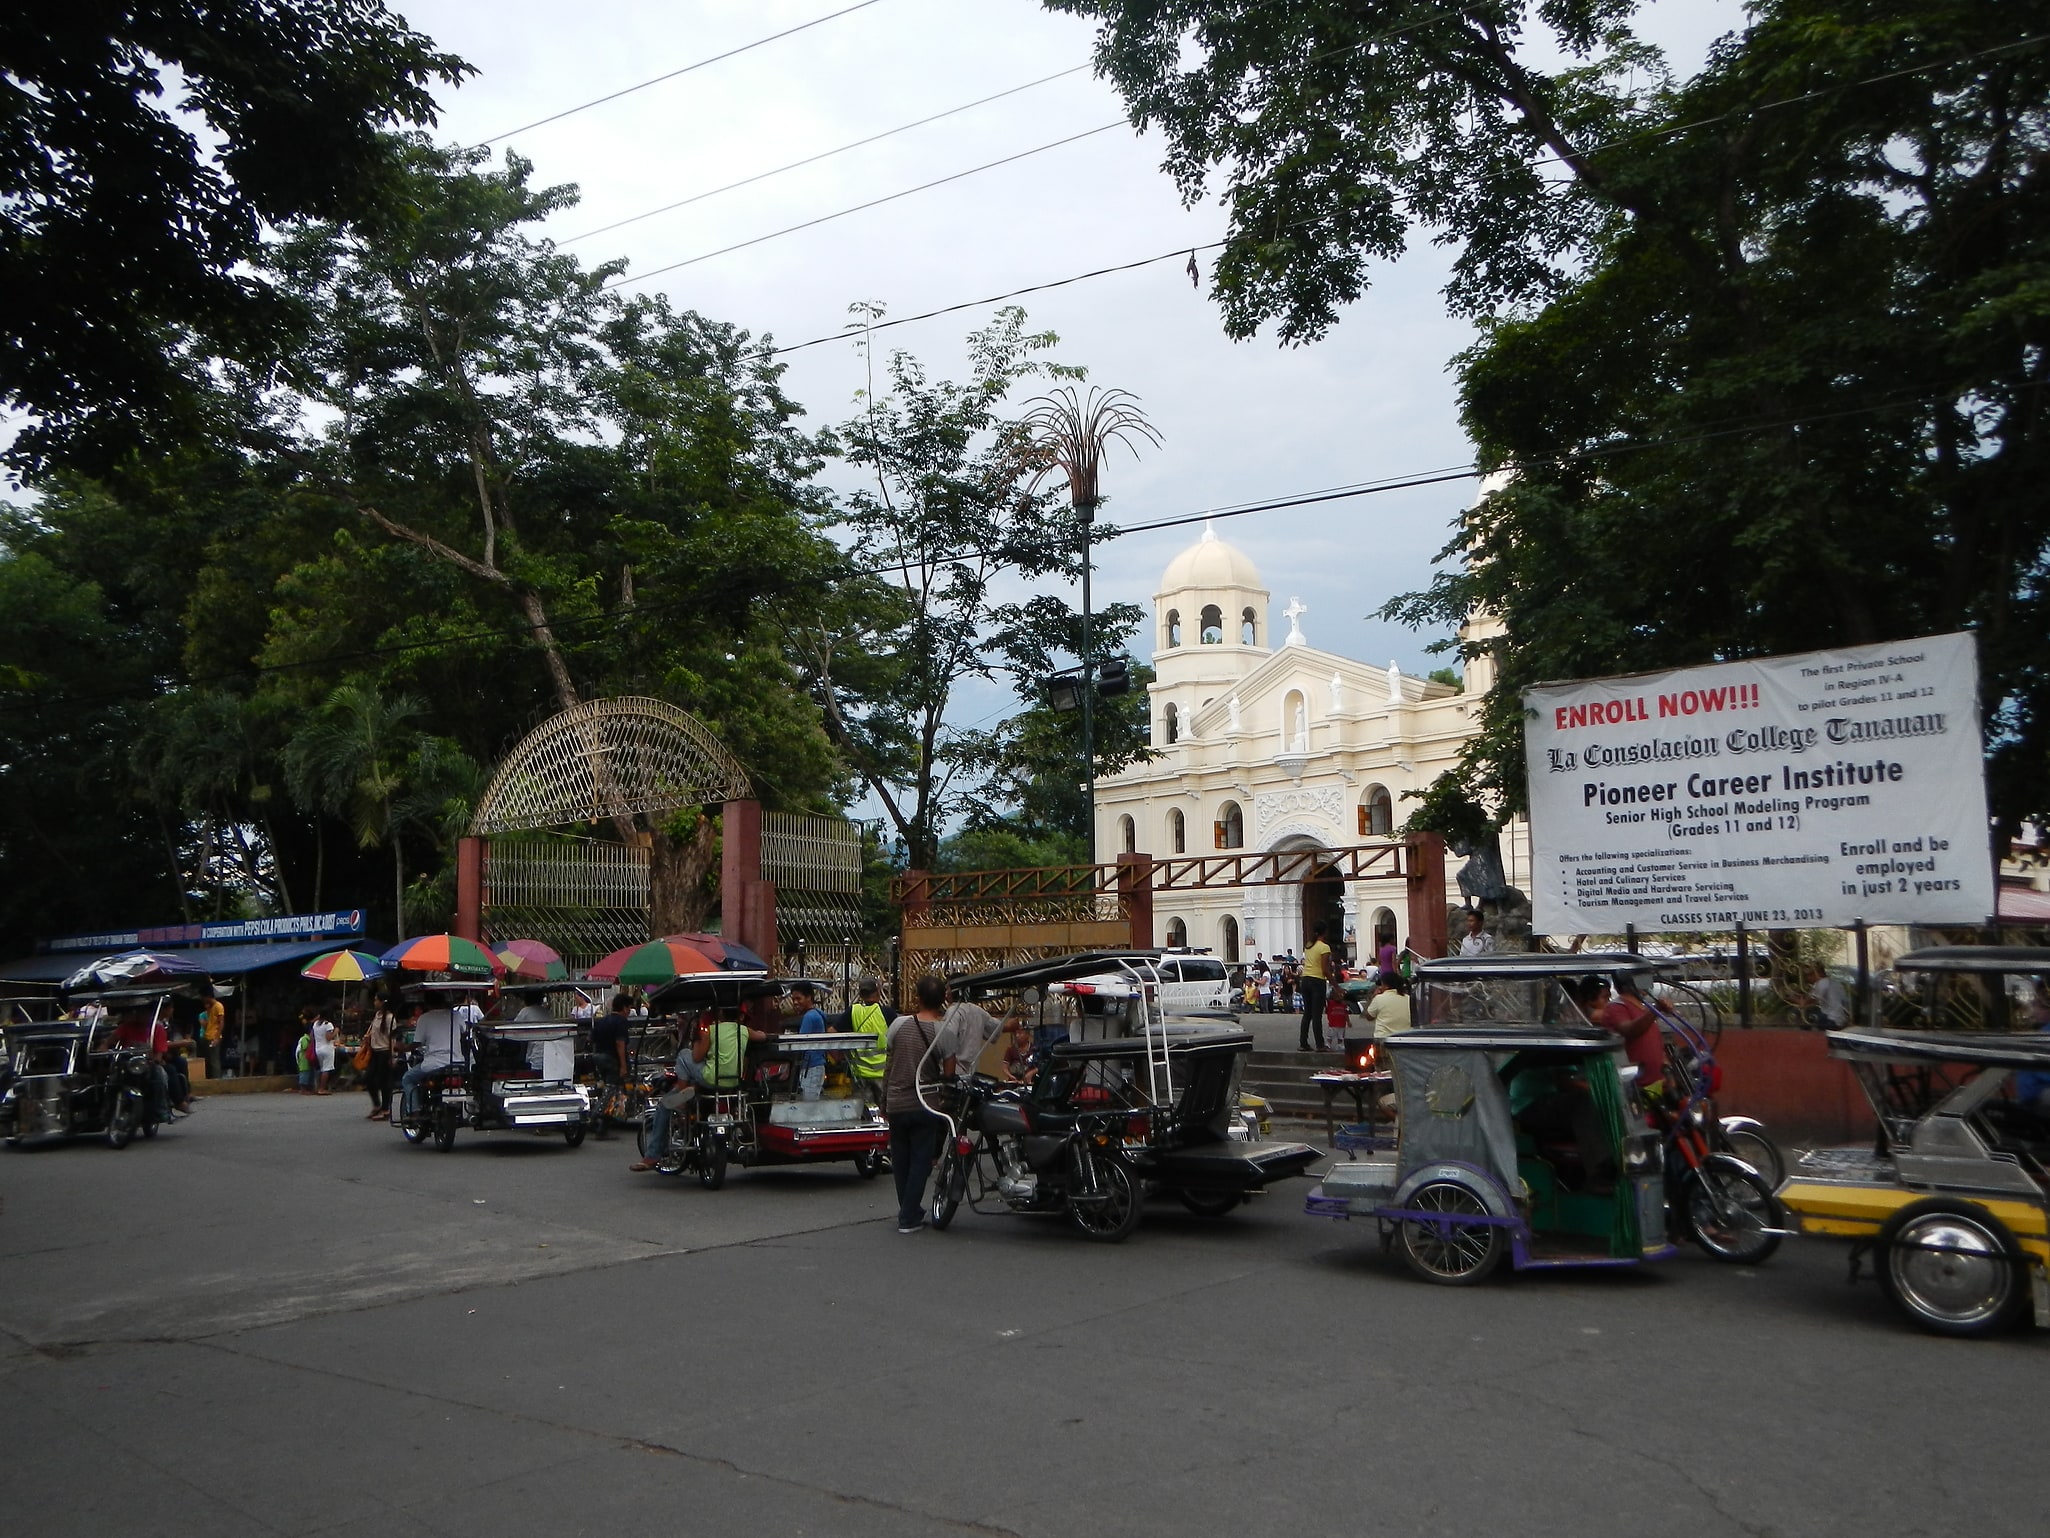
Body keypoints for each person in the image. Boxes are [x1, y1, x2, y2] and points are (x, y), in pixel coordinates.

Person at [631, 1006, 774, 1172]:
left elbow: (696, 1057)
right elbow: (762, 1036)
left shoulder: (711, 1031)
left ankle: (653, 1154)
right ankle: (688, 1091)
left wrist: (698, 1040)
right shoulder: (744, 1031)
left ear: (720, 1014)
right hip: (733, 1082)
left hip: (709, 1079)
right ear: (740, 1017)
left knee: (682, 1058)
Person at [882, 976, 952, 1233]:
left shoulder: (898, 1025)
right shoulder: (944, 1032)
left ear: (918, 997)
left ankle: (908, 1210)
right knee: (921, 1162)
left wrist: (883, 1101)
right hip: (926, 1104)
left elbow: (889, 1066)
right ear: (943, 999)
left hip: (896, 1102)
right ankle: (908, 1216)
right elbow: (949, 1072)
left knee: (901, 1161)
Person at [399, 992, 468, 1121]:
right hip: (457, 1063)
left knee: (407, 1078)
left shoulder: (424, 1018)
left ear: (427, 1004)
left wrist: (404, 1047)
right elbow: (465, 1032)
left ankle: (415, 1111)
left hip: (433, 1064)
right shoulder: (456, 1015)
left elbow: (417, 1043)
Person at [110, 1007, 175, 1124]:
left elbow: (159, 1054)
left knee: (161, 1075)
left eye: (144, 1012)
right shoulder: (126, 1027)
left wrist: (154, 1060)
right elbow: (110, 1041)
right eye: (138, 1012)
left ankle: (161, 1109)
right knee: (111, 1078)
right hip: (127, 1063)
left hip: (146, 1064)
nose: (140, 1016)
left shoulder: (157, 1029)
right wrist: (102, 1049)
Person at [589, 992, 634, 1140]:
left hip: (599, 1058)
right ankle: (596, 1114)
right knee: (612, 1090)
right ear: (624, 1008)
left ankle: (602, 1127)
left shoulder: (602, 1021)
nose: (629, 1012)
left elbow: (592, 1039)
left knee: (611, 1092)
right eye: (629, 1008)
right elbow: (620, 1044)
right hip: (612, 1059)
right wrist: (623, 1065)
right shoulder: (621, 1022)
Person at [849, 977, 889, 1109]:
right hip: (883, 1075)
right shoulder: (886, 1013)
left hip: (860, 1075)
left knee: (863, 1113)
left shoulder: (853, 1011)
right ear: (878, 992)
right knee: (886, 1112)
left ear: (860, 994)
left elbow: (831, 1032)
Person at [790, 981, 828, 1100]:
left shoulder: (809, 1017)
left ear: (809, 998)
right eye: (793, 999)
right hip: (817, 1066)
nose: (795, 1002)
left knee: (809, 1106)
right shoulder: (818, 1014)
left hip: (811, 1068)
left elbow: (800, 1044)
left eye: (798, 998)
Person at [363, 993, 397, 1120]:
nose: (374, 1002)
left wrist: (393, 1056)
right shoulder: (377, 1016)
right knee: (368, 1078)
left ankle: (385, 1108)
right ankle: (377, 1104)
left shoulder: (389, 1018)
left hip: (385, 1051)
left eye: (376, 1000)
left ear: (382, 1002)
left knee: (383, 1082)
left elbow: (392, 1038)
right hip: (374, 1051)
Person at [1299, 922, 1333, 1052]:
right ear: (1325, 932)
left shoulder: (1308, 946)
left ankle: (1303, 1042)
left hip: (1305, 979)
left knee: (1307, 1013)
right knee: (1316, 1014)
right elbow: (1325, 969)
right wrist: (1335, 985)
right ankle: (1320, 1044)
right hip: (1317, 981)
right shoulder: (1324, 947)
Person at [1804, 962, 1850, 1030]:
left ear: (1817, 973)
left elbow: (1807, 1002)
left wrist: (1792, 997)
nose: (1808, 978)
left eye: (1810, 975)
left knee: (1807, 1019)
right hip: (1841, 1019)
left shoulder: (1822, 983)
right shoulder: (1835, 983)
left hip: (1831, 1019)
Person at [1366, 973, 1412, 1040]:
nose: (1380, 987)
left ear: (1386, 986)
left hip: (1383, 1038)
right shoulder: (1408, 998)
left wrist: (1373, 997)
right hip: (1404, 1038)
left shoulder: (1379, 998)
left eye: (1381, 984)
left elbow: (1369, 1017)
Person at [313, 1005, 338, 1095]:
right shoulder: (328, 1025)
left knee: (322, 1068)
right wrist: (335, 1032)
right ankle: (322, 1088)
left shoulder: (315, 1024)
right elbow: (328, 1038)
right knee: (326, 1069)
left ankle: (319, 1086)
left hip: (318, 1048)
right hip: (327, 1049)